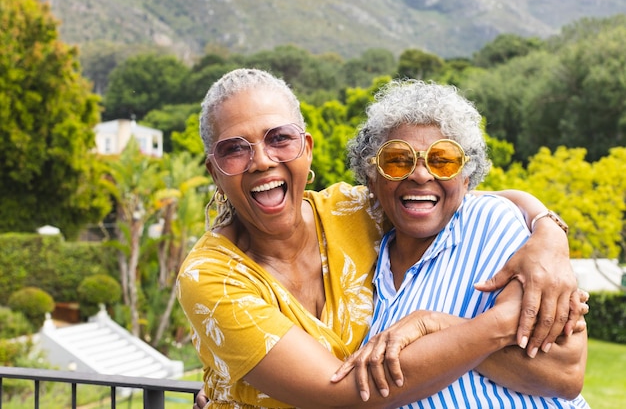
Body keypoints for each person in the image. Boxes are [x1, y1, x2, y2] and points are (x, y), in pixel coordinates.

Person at [176, 68, 586, 409]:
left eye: (279, 138)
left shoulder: (350, 211)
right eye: (235, 149)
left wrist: (548, 231)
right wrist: (491, 324)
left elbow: (447, 196)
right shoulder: (211, 276)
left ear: (306, 148)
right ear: (214, 170)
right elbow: (338, 393)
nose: (262, 160)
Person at [335, 78, 589, 407]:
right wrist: (472, 338)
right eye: (398, 159)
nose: (421, 175)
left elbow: (564, 373)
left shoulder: (491, 222)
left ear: (466, 177)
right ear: (371, 176)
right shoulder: (362, 267)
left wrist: (436, 326)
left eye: (443, 160)